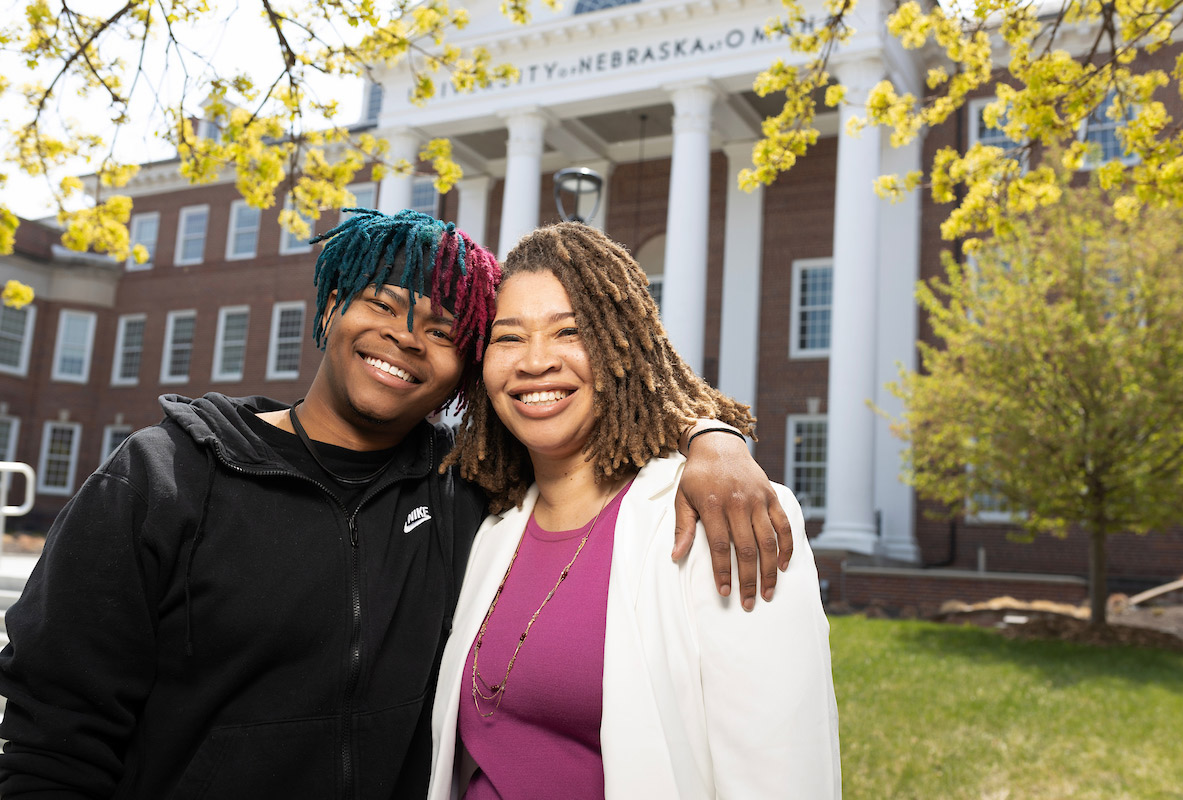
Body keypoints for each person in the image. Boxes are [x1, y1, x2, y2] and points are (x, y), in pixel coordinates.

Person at [0, 210, 791, 799]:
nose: (406, 336)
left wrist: (713, 435)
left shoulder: (465, 500)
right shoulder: (163, 478)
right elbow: (51, 739)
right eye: (382, 302)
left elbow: (576, 400)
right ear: (330, 307)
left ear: (464, 373)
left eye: (444, 328)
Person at [430, 222, 840, 799]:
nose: (535, 362)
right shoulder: (489, 527)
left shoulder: (714, 519)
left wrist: (710, 432)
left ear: (625, 345)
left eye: (569, 331)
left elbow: (780, 773)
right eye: (509, 337)